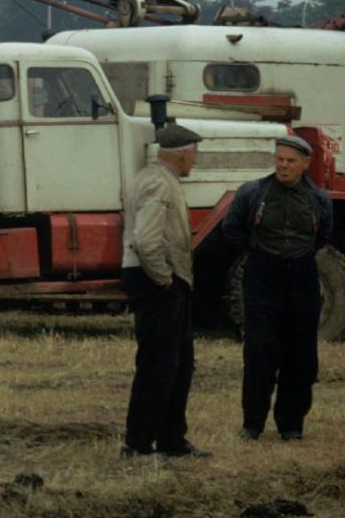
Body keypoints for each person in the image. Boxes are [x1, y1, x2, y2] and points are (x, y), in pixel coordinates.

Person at [221, 134, 334, 441]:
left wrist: (297, 256)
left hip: (302, 276)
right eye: (279, 160)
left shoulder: (320, 199)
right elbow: (231, 229)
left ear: (305, 164)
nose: (283, 166)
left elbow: (323, 235)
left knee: (301, 355)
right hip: (262, 275)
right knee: (259, 351)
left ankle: (291, 424)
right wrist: (258, 254)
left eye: (291, 161)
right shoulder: (252, 192)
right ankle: (252, 424)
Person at [119, 122, 209, 459]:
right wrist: (163, 277)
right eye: (194, 153)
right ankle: (139, 444)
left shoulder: (155, 178)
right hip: (156, 281)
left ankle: (172, 439)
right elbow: (145, 239)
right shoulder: (159, 183)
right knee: (159, 365)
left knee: (178, 364)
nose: (196, 160)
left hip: (163, 280)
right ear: (183, 154)